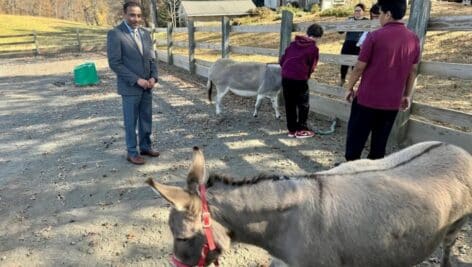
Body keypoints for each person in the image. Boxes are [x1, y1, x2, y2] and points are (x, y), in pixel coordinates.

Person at [344, 0, 420, 161]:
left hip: (367, 99)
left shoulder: (374, 36)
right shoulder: (413, 39)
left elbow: (359, 67)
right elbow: (413, 71)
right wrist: (407, 95)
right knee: (379, 143)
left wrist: (349, 87)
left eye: (381, 13)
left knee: (355, 140)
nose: (379, 18)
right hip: (392, 102)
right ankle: (375, 175)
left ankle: (350, 171)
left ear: (388, 14)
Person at [107, 1, 160, 165]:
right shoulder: (116, 34)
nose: (135, 19)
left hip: (147, 86)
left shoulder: (145, 33)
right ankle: (132, 152)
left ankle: (145, 146)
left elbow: (152, 58)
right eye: (132, 15)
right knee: (131, 122)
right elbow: (115, 63)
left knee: (146, 118)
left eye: (138, 15)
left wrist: (153, 77)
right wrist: (137, 80)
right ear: (124, 15)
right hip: (130, 87)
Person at [280, 24, 323, 139]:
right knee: (303, 104)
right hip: (300, 78)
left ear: (308, 33)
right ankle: (301, 129)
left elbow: (282, 59)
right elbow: (312, 66)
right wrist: (307, 75)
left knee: (290, 103)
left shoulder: (293, 44)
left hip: (286, 77)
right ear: (318, 37)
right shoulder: (313, 48)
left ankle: (292, 130)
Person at [339, 3, 368, 86]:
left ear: (363, 12)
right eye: (355, 11)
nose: (357, 12)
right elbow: (340, 31)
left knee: (355, 65)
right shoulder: (350, 20)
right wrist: (346, 24)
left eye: (359, 10)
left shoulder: (366, 21)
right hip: (348, 43)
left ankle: (352, 83)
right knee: (344, 63)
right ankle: (342, 79)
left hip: (359, 45)